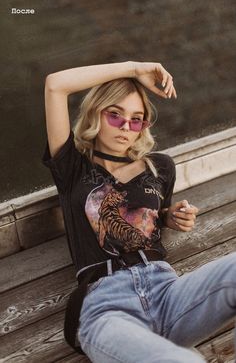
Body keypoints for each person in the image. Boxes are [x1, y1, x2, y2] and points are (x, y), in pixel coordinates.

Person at [42, 61, 236, 363]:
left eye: (137, 120)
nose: (125, 128)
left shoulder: (159, 167)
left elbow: (152, 219)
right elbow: (55, 84)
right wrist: (133, 69)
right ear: (96, 113)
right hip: (107, 306)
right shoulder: (73, 167)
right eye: (115, 115)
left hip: (167, 292)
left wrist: (171, 216)